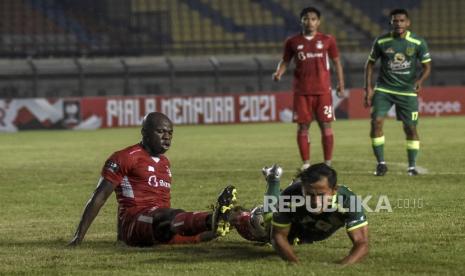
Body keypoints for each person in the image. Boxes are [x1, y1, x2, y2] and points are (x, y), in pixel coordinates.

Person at [68, 112, 237, 247]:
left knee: (222, 225)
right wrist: (78, 237)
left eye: (170, 133)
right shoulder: (124, 157)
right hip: (136, 224)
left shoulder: (165, 163)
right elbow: (99, 197)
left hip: (164, 228)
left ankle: (251, 224)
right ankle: (211, 218)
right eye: (161, 131)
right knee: (168, 215)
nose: (167, 137)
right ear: (144, 132)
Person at [229, 164, 368, 265]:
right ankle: (273, 180)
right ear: (303, 189)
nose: (314, 201)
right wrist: (296, 265)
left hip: (310, 227)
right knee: (265, 225)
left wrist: (342, 266)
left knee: (299, 239)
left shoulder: (349, 202)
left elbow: (361, 242)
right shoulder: (290, 196)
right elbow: (278, 237)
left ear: (334, 190)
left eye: (320, 195)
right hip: (296, 222)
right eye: (309, 194)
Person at [272, 6, 345, 170]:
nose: (309, 22)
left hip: (323, 91)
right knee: (303, 127)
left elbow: (336, 62)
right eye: (306, 18)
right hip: (302, 92)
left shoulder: (328, 40)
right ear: (301, 21)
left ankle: (328, 163)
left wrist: (341, 83)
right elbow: (285, 61)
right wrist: (279, 73)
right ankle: (306, 163)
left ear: (318, 22)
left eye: (313, 19)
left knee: (326, 126)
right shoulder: (292, 41)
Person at [364, 8, 431, 176]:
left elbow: (427, 66)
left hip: (407, 92)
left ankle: (411, 166)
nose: (398, 24)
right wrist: (368, 88)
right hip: (384, 89)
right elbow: (370, 64)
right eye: (395, 21)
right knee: (376, 122)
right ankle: (381, 164)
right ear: (391, 23)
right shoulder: (381, 41)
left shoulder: (417, 42)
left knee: (410, 128)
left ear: (408, 23)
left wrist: (419, 81)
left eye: (402, 21)